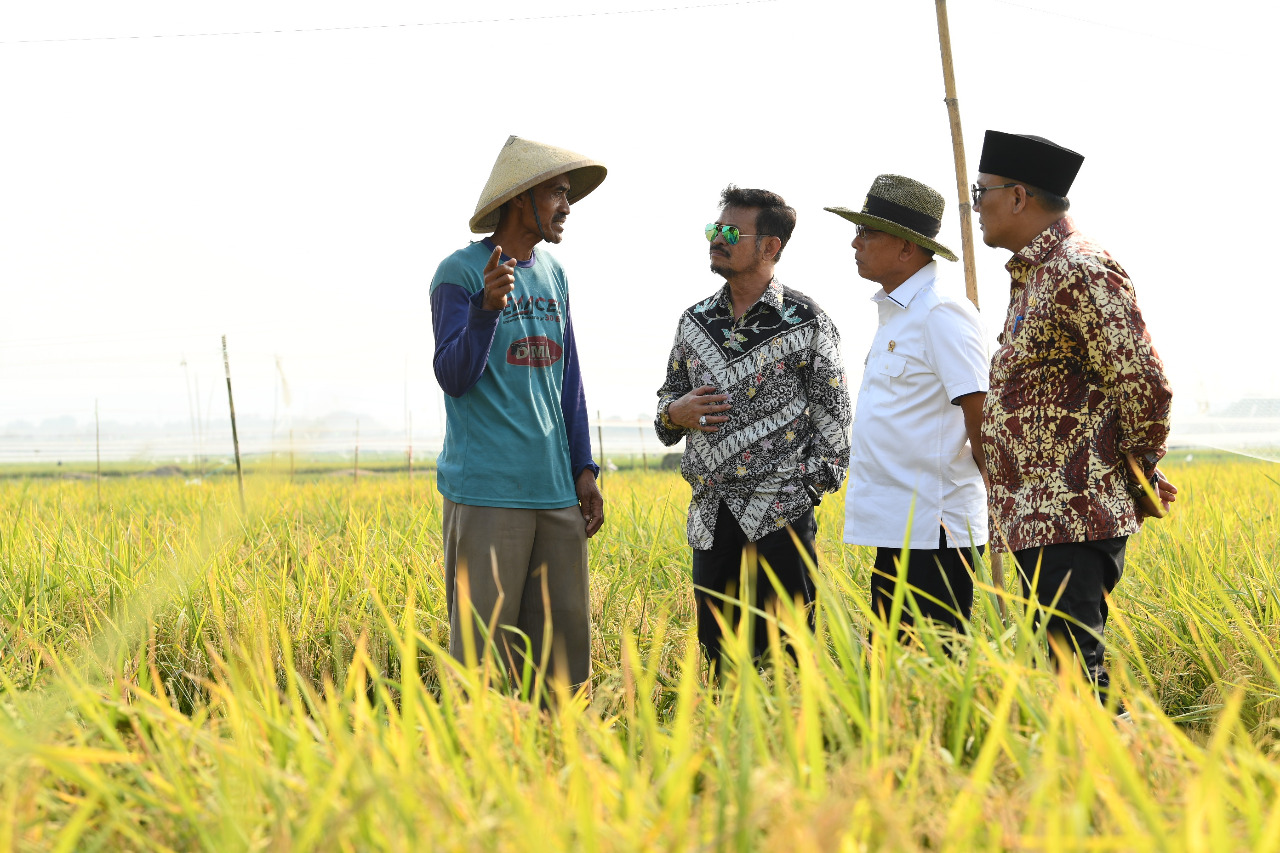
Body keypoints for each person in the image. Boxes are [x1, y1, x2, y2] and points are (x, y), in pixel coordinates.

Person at [973, 130, 1176, 704]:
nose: (976, 207)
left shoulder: (1079, 269)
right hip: (1038, 518)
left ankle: (1122, 758)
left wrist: (1137, 469)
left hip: (1072, 516)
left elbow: (1144, 383)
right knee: (1062, 678)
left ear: (1018, 196)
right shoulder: (1034, 276)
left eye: (981, 193)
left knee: (1078, 682)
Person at [429, 135, 606, 692]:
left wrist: (584, 468)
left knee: (562, 665)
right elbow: (453, 376)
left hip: (554, 493)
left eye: (567, 194)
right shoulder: (459, 273)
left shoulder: (554, 274)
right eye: (557, 192)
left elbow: (568, 378)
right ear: (518, 197)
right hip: (488, 493)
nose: (567, 206)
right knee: (482, 665)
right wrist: (485, 310)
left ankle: (558, 748)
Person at [654, 185, 852, 673]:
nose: (716, 240)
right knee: (719, 656)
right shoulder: (694, 322)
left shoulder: (807, 322)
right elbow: (666, 411)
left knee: (786, 661)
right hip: (711, 516)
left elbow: (834, 423)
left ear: (770, 246)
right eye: (714, 229)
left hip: (780, 515)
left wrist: (800, 491)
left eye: (730, 233)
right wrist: (674, 413)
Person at [825, 174, 990, 646]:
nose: (855, 243)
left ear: (905, 248)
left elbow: (980, 414)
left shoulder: (941, 313)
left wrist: (998, 499)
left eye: (867, 232)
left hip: (935, 528)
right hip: (901, 525)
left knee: (929, 662)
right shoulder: (899, 313)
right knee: (893, 662)